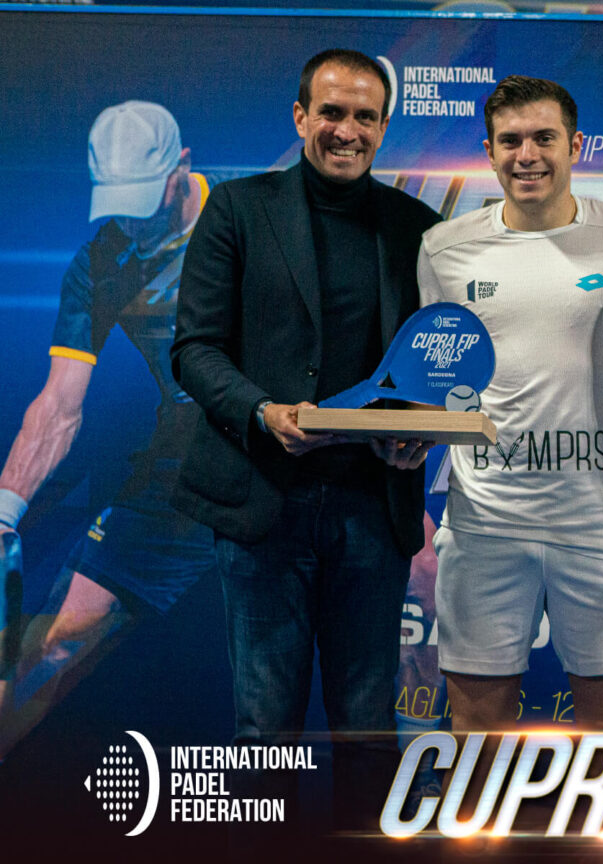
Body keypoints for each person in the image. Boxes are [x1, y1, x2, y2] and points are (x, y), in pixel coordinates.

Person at [170, 49, 440, 829]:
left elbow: (436, 368)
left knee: (368, 734)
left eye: (364, 117)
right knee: (263, 735)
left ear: (383, 128)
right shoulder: (237, 210)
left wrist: (417, 436)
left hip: (372, 512)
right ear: (300, 117)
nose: (346, 130)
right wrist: (262, 411)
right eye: (331, 112)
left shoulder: (419, 231)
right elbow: (194, 349)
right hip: (263, 508)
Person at [415, 75, 603, 737]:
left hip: (600, 523)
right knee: (476, 741)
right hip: (485, 524)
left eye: (543, 138)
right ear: (489, 151)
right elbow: (433, 380)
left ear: (575, 145)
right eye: (510, 141)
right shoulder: (444, 249)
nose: (526, 155)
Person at [0, 101, 213, 759]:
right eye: (120, 205)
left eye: (145, 202)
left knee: (422, 578)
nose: (133, 223)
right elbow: (59, 405)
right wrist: (5, 511)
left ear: (182, 168)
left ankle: (429, 775)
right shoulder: (100, 262)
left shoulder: (249, 220)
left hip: (293, 455)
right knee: (51, 645)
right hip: (182, 472)